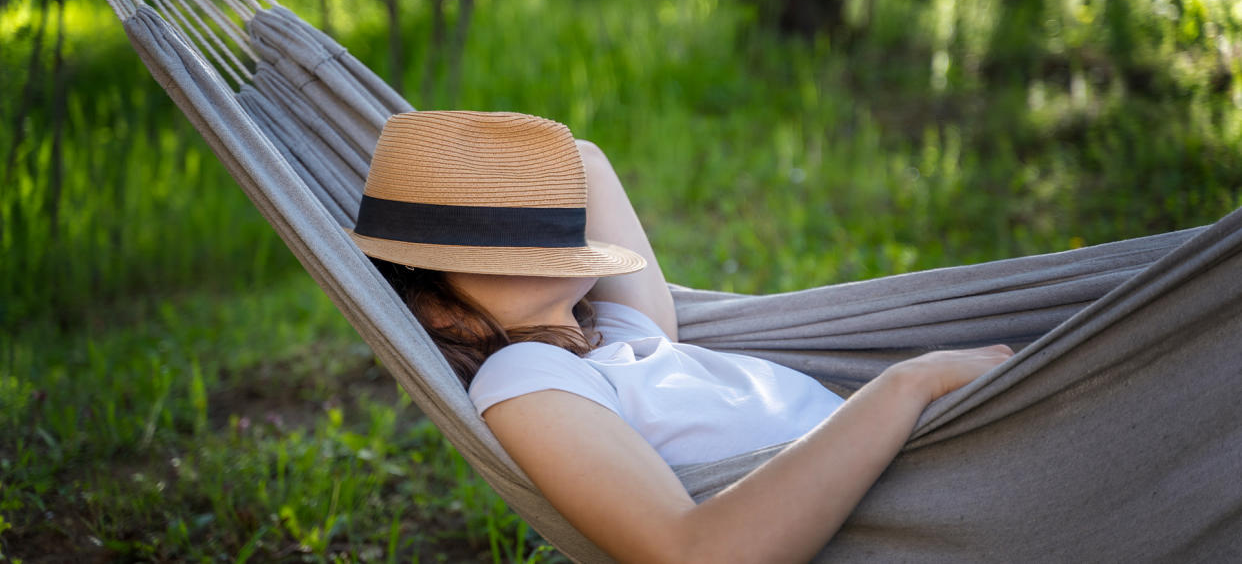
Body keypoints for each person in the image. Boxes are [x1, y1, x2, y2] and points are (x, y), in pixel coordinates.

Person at [349, 110, 1014, 563]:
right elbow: (693, 552)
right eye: (498, 243)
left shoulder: (619, 333)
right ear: (443, 316)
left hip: (932, 472)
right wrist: (906, 383)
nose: (547, 237)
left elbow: (587, 161)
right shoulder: (525, 376)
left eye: (541, 216)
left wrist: (512, 163)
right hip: (901, 507)